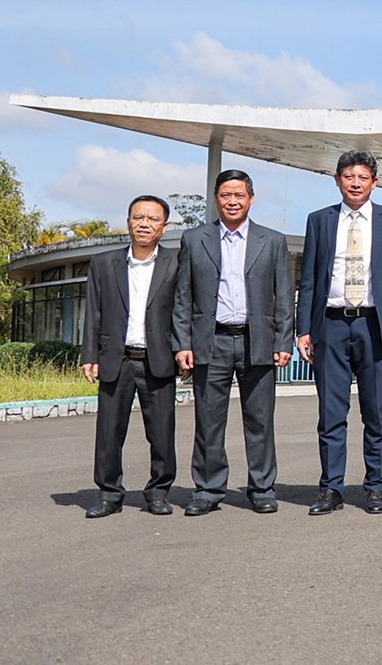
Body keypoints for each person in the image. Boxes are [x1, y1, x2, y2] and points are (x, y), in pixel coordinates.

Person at [295, 150, 382, 516]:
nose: (356, 183)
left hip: (374, 325)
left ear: (374, 182)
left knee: (376, 411)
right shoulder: (320, 221)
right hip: (329, 325)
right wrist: (303, 330)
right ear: (337, 180)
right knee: (331, 412)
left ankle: (376, 487)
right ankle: (331, 487)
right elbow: (310, 278)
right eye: (349, 177)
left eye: (363, 177)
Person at [173, 170, 295, 515]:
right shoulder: (195, 239)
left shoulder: (271, 240)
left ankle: (261, 488)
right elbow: (183, 297)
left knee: (260, 420)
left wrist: (283, 339)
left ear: (251, 199)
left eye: (239, 195)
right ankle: (209, 490)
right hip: (210, 341)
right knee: (208, 420)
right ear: (216, 199)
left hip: (257, 341)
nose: (232, 201)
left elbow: (284, 295)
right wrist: (183, 343)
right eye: (226, 195)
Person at [80, 194, 181, 518]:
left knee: (162, 433)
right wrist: (89, 355)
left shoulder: (176, 263)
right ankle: (110, 494)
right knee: (109, 433)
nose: (144, 223)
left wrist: (183, 350)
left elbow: (183, 312)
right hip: (115, 359)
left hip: (158, 359)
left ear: (164, 227)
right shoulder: (104, 263)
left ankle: (158, 492)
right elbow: (93, 312)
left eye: (152, 219)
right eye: (138, 217)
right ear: (128, 221)